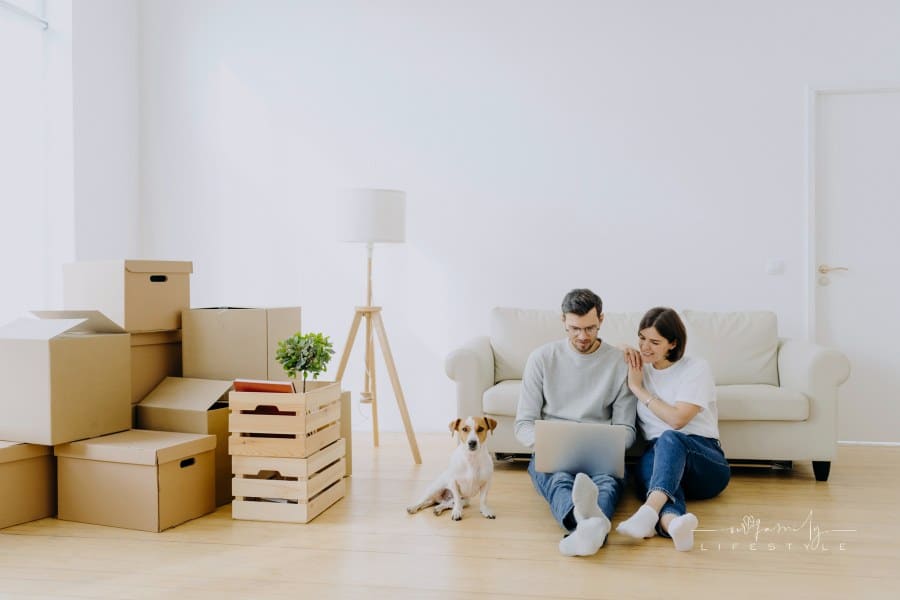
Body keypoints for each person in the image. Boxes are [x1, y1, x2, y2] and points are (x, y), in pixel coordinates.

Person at [515, 288, 637, 557]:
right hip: (553, 453)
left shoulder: (619, 362)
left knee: (606, 482)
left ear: (602, 320)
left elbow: (627, 429)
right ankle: (589, 527)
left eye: (590, 328)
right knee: (558, 480)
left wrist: (610, 444)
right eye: (574, 328)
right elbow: (523, 423)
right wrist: (547, 443)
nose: (583, 336)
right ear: (563, 321)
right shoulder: (541, 359)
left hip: (600, 452)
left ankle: (580, 531)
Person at [616, 307, 730, 551]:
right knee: (655, 471)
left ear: (672, 343)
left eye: (655, 342)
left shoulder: (696, 368)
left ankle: (648, 512)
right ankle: (673, 524)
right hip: (659, 459)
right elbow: (601, 349)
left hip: (704, 462)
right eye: (641, 338)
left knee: (670, 438)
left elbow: (678, 420)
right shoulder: (639, 366)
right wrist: (623, 347)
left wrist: (638, 389)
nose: (645, 347)